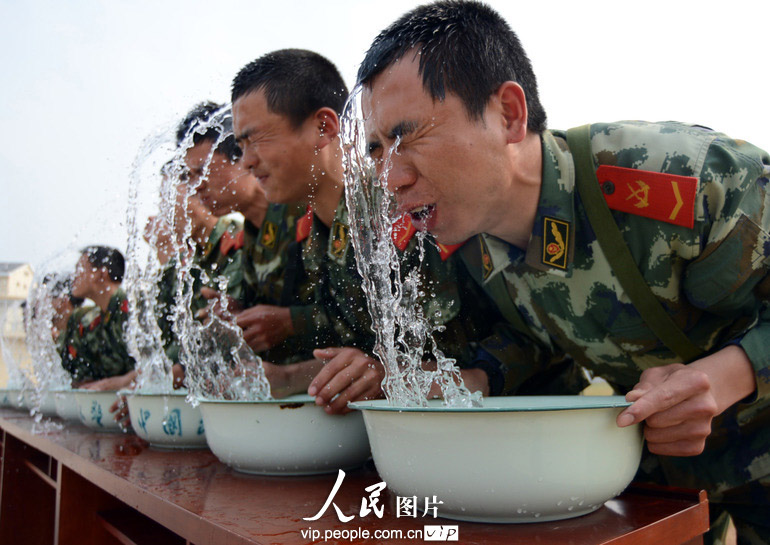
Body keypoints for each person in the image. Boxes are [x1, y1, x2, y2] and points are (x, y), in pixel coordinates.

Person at [356, 2, 770, 543]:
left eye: (408, 136)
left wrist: (731, 373)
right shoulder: (464, 242)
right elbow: (540, 338)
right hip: (659, 480)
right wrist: (470, 381)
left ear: (508, 113)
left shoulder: (675, 178)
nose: (392, 177)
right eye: (376, 149)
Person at [231, 49, 503, 411]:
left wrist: (392, 375)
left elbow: (522, 336)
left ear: (324, 127)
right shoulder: (318, 238)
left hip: (518, 423)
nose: (247, 161)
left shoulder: (406, 202)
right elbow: (364, 361)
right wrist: (285, 378)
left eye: (257, 139)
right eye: (241, 146)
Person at [177, 102, 315, 364]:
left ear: (241, 155)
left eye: (202, 172)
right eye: (190, 177)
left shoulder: (305, 209)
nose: (196, 187)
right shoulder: (251, 234)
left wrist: (291, 323)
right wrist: (237, 312)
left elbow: (359, 313)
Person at [60, 246, 137, 391]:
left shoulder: (135, 311)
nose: (74, 276)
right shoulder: (89, 321)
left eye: (80, 269)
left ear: (102, 274)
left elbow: (160, 367)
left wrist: (122, 382)